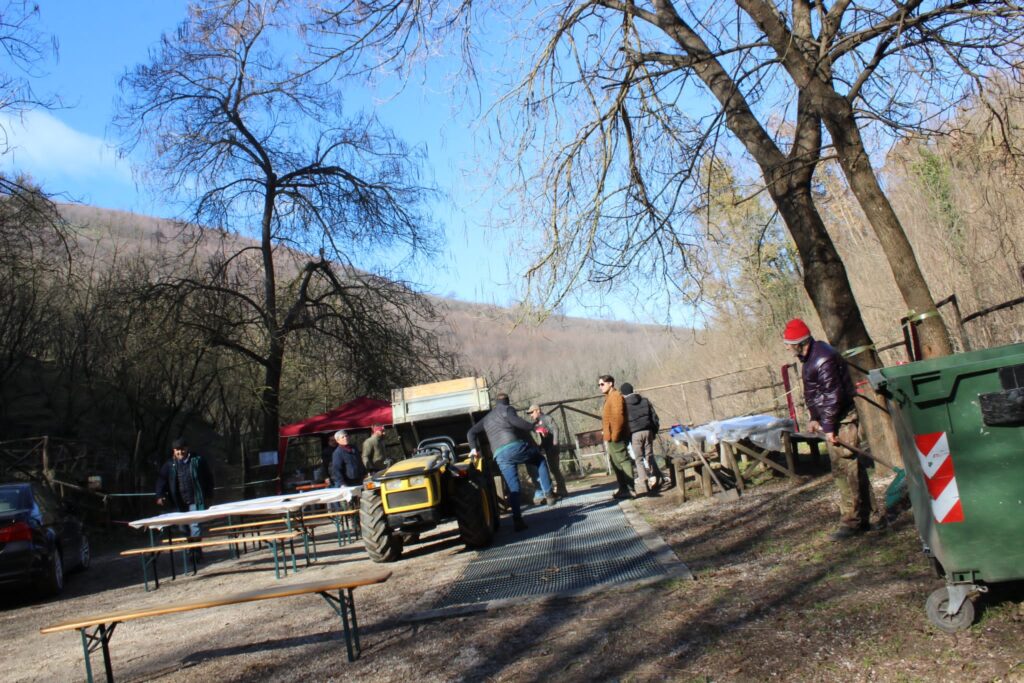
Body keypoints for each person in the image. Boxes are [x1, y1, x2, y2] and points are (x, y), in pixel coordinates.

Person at [783, 318, 885, 540]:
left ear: (801, 342)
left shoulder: (823, 358)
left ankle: (852, 522)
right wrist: (813, 417)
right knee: (848, 468)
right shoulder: (809, 357)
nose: (788, 348)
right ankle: (868, 516)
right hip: (832, 418)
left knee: (845, 469)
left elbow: (832, 396)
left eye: (790, 344)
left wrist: (828, 426)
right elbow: (814, 392)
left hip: (842, 419)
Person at [468, 392, 556, 531]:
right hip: (514, 447)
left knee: (513, 488)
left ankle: (518, 520)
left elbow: (471, 432)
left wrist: (474, 449)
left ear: (495, 402)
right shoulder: (507, 409)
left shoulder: (487, 418)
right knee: (539, 459)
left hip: (499, 455)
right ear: (507, 401)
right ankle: (549, 493)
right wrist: (534, 427)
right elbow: (515, 421)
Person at [155, 437, 215, 541]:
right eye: (177, 450)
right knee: (182, 528)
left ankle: (196, 551)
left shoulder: (198, 461)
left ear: (187, 449)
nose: (180, 452)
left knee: (195, 526)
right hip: (178, 502)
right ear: (174, 451)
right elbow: (161, 481)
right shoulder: (169, 465)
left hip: (195, 500)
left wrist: (209, 495)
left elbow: (208, 478)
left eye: (182, 449)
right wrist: (160, 495)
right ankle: (190, 549)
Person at [621, 382, 664, 495]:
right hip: (648, 431)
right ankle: (657, 478)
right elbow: (654, 417)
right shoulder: (644, 401)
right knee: (649, 455)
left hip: (634, 434)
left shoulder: (623, 405)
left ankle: (645, 483)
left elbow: (623, 423)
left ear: (623, 393)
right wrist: (654, 431)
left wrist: (626, 436)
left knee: (639, 459)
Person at [599, 375, 634, 499]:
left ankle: (630, 489)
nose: (600, 387)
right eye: (599, 385)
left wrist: (615, 435)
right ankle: (623, 488)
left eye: (602, 384)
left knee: (623, 460)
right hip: (611, 437)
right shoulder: (609, 397)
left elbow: (618, 417)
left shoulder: (615, 396)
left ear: (610, 383)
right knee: (615, 462)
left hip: (616, 436)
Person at [528, 404, 567, 497]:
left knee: (554, 469)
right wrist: (540, 447)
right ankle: (553, 490)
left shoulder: (546, 418)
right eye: (529, 413)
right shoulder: (536, 424)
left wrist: (555, 443)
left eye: (532, 412)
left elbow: (555, 429)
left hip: (552, 447)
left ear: (538, 410)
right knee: (551, 469)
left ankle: (562, 490)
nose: (531, 415)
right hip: (546, 448)